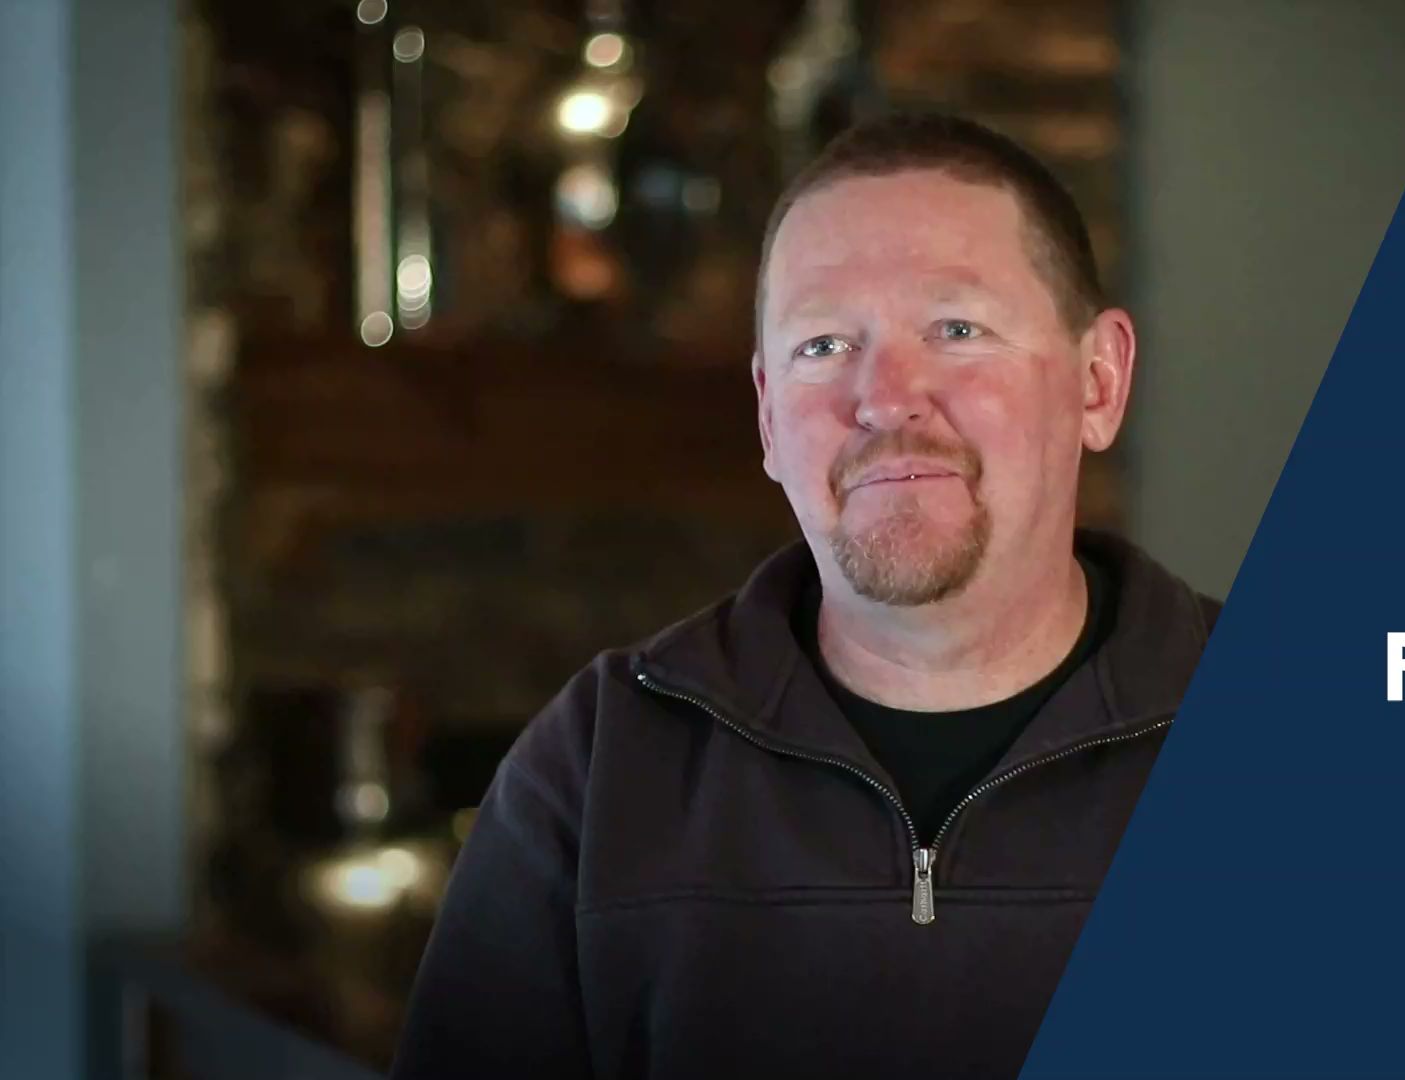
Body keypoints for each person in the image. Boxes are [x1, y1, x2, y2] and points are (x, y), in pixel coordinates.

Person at [391, 112, 1220, 1079]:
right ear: (768, 420)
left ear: (1098, 382)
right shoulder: (598, 769)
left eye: (957, 329)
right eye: (823, 345)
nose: (885, 397)